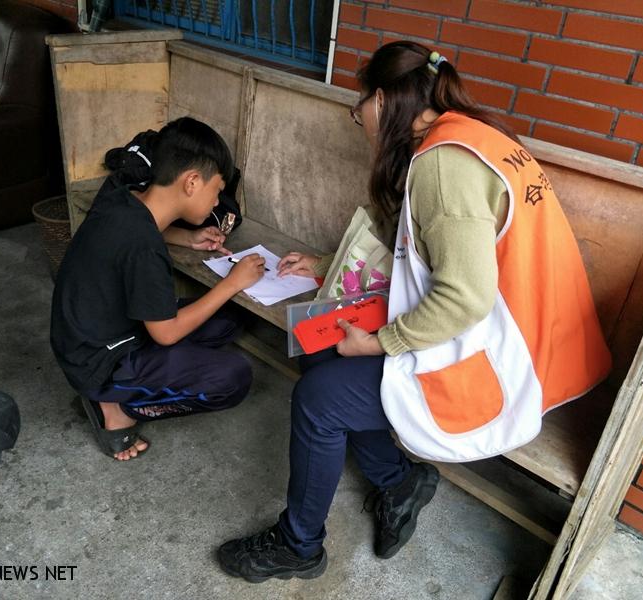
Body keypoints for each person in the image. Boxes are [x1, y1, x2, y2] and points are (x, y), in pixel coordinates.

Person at [217, 41, 610, 582]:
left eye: (359, 108)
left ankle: (298, 545)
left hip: (509, 365)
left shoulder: (445, 164)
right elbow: (422, 244)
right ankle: (399, 483)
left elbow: (464, 297)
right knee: (318, 349)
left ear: (381, 100)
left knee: (318, 400)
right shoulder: (472, 136)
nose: (360, 120)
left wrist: (380, 343)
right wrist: (325, 264)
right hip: (528, 339)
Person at [50, 117, 266, 462]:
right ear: (192, 182)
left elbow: (144, 228)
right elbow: (166, 334)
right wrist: (232, 283)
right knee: (233, 378)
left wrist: (188, 238)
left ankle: (134, 382)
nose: (217, 203)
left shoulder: (121, 198)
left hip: (85, 335)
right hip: (98, 360)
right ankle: (117, 406)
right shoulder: (145, 251)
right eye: (217, 190)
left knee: (229, 319)